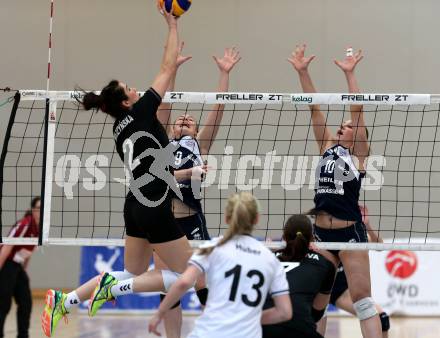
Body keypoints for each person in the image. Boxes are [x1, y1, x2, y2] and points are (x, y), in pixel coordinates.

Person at [41, 7, 193, 337]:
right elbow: (164, 68)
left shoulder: (121, 127)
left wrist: (174, 66)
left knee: (130, 273)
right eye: (130, 88)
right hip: (152, 204)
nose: (136, 89)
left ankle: (65, 301)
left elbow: (165, 90)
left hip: (135, 205)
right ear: (126, 102)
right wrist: (172, 24)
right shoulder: (138, 113)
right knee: (192, 274)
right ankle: (113, 291)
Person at [288, 44, 382, 337]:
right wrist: (303, 72)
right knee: (318, 301)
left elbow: (358, 108)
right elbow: (314, 106)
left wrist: (350, 74)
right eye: (341, 125)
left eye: (349, 127)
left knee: (363, 301)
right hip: (321, 234)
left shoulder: (359, 155)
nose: (343, 127)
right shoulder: (327, 147)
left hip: (350, 233)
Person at [154, 44, 241, 338]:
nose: (185, 119)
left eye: (190, 121)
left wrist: (224, 74)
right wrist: (173, 68)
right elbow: (165, 101)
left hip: (192, 219)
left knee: (203, 283)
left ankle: (216, 332)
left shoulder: (199, 145)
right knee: (168, 286)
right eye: (182, 119)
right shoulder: (162, 142)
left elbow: (218, 107)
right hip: (164, 219)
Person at [147, 192, 292, 338]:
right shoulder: (270, 259)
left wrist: (159, 313)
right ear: (256, 219)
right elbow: (285, 312)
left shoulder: (212, 248)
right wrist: (248, 319)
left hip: (209, 332)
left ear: (227, 218)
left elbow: (183, 282)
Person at [317, 205, 390, 338]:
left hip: (340, 291)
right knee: (315, 314)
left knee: (382, 318)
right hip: (322, 285)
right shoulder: (320, 231)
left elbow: (380, 245)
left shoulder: (353, 235)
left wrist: (367, 225)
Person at [262, 214, 337, 338]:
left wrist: (266, 253)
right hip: (300, 329)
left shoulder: (266, 259)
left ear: (284, 236)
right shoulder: (325, 265)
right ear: (312, 237)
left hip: (264, 327)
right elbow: (317, 314)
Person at [0, 197, 40, 338]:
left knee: (26, 302)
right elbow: (6, 247)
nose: (40, 212)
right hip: (6, 264)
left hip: (17, 267)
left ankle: (23, 336)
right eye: (38, 208)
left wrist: (24, 270)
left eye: (43, 208)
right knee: (3, 303)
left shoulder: (40, 229)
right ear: (33, 209)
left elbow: (28, 252)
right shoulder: (25, 224)